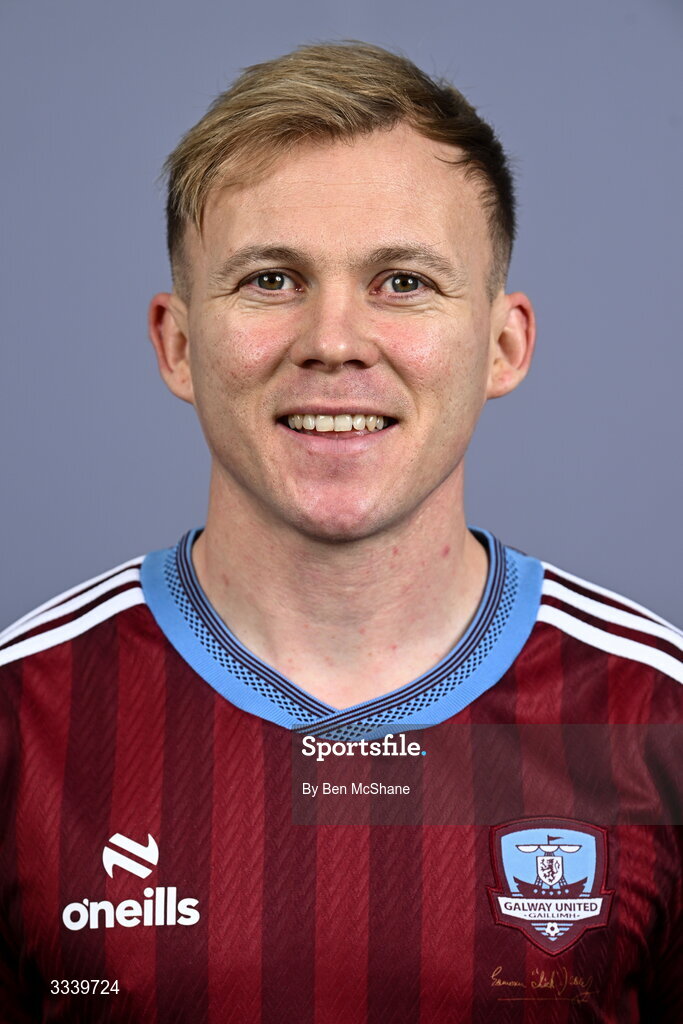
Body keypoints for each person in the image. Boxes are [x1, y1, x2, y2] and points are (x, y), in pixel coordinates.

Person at [0, 40, 680, 1024]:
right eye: (270, 279)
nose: (331, 340)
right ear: (177, 344)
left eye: (401, 281)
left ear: (502, 343)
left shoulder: (651, 718)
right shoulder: (23, 723)